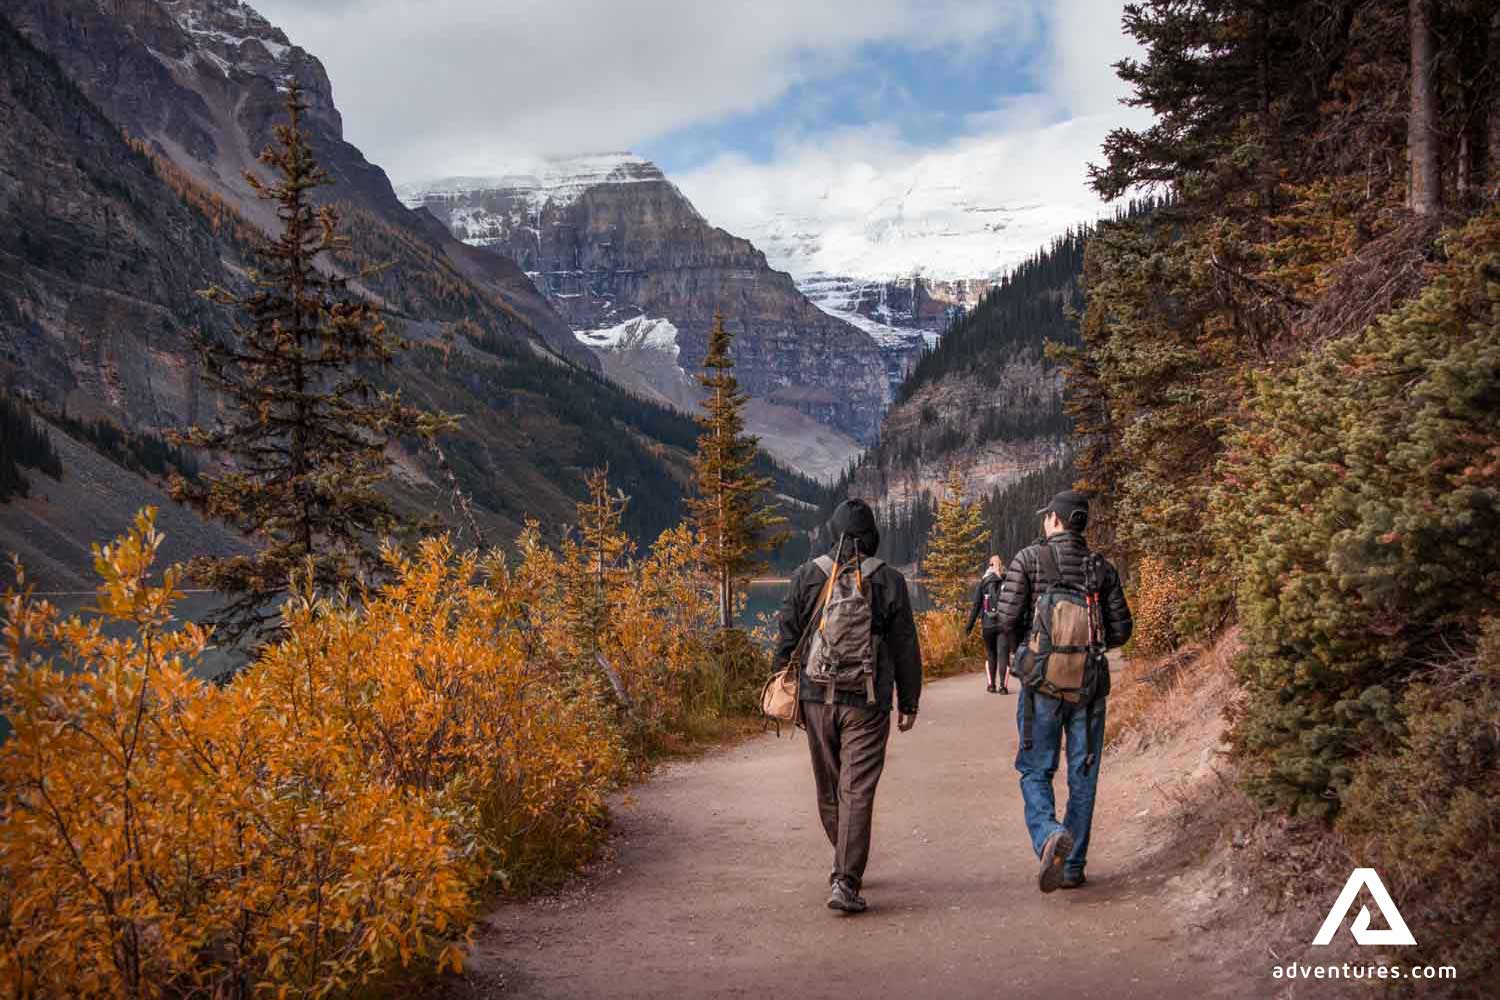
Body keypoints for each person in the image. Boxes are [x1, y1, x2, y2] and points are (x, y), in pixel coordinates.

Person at [773, 498, 922, 914]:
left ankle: (844, 861)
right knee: (858, 789)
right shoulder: (888, 580)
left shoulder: (806, 576)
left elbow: (787, 639)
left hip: (816, 697)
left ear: (832, 533)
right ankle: (846, 877)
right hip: (867, 701)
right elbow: (905, 646)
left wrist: (783, 686)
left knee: (829, 786)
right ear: (872, 536)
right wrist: (908, 700)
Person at [994, 490, 1132, 893]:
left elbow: (1005, 619)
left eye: (1046, 516)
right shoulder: (1100, 568)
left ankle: (1048, 836)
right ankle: (1072, 867)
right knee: (1083, 776)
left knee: (1035, 769)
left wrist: (1030, 650)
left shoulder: (1029, 559)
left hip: (1041, 687)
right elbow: (1122, 629)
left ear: (1055, 520)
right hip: (1088, 687)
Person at [964, 554, 1010, 693]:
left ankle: (991, 685)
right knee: (1003, 654)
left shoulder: (983, 582)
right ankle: (1003, 686)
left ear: (989, 565)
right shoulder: (1007, 580)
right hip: (1003, 624)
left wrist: (968, 627)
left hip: (988, 624)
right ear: (1002, 566)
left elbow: (976, 605)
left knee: (991, 653)